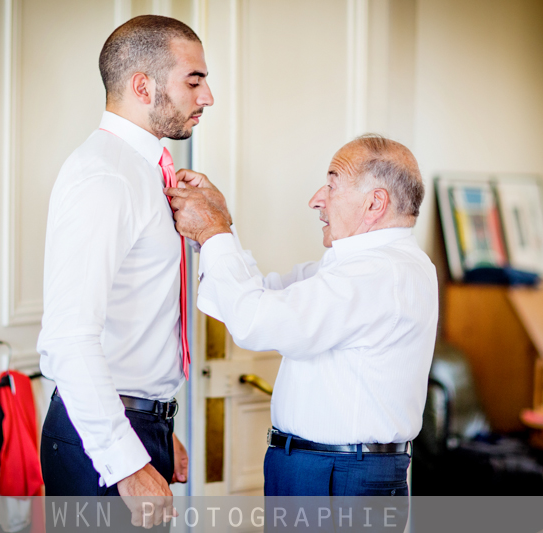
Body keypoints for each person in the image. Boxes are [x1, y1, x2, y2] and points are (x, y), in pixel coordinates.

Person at [166, 134, 438, 498]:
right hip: (325, 469)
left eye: (332, 185)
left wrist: (214, 230)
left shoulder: (377, 274)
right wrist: (221, 228)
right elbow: (265, 294)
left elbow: (255, 320)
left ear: (375, 203)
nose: (316, 200)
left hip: (337, 476)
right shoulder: (365, 268)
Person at [36, 14, 213, 527]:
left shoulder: (145, 169)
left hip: (136, 424)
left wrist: (158, 428)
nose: (207, 97)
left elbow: (135, 318)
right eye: (194, 80)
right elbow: (69, 337)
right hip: (105, 444)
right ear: (143, 85)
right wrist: (127, 461)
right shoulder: (105, 176)